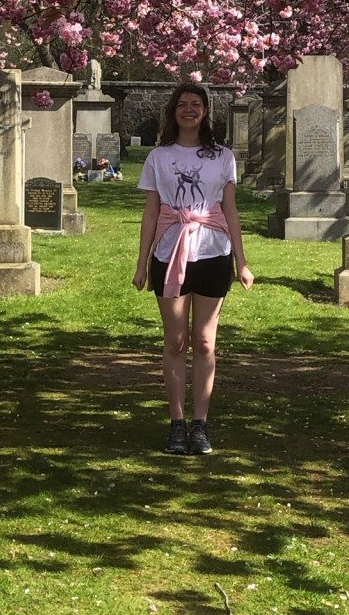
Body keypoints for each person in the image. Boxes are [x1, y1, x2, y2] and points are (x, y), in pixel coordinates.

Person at [132, 82, 254, 455]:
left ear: (205, 111)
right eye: (182, 104)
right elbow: (151, 212)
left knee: (204, 342)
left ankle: (200, 424)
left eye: (196, 104)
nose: (189, 110)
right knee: (175, 342)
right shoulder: (158, 157)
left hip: (213, 253)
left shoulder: (223, 157)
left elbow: (230, 209)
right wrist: (141, 264)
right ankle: (177, 422)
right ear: (173, 111)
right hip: (169, 255)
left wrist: (242, 261)